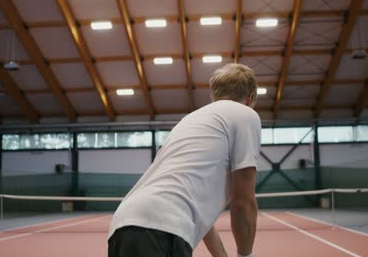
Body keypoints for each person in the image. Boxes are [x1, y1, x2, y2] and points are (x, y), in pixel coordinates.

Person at [108, 63, 261, 257]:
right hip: (163, 230)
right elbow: (244, 202)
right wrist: (245, 255)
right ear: (251, 98)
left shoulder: (189, 122)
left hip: (124, 224)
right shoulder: (245, 115)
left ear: (214, 95)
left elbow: (203, 221)